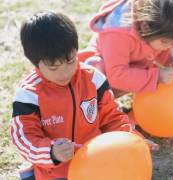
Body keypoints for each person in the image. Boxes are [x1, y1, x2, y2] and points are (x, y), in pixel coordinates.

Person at [11, 11, 157, 180]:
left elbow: (113, 117)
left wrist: (131, 139)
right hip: (56, 171)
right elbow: (24, 138)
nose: (65, 72)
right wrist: (51, 152)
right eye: (53, 67)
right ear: (36, 62)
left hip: (96, 160)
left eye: (71, 60)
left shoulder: (93, 79)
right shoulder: (29, 94)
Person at [78, 0, 173, 97]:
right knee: (97, 74)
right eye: (165, 42)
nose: (170, 46)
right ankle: (104, 110)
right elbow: (116, 75)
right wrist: (157, 76)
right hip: (111, 67)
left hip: (141, 62)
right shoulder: (118, 34)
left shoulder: (170, 23)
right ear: (145, 28)